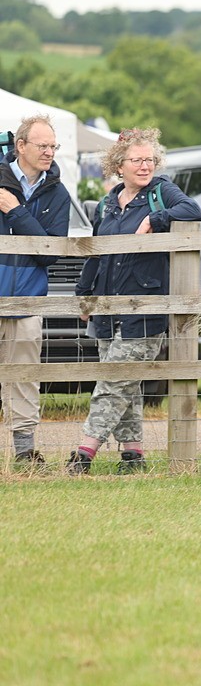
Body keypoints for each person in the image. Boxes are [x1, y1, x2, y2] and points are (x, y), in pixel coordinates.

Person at [66, 128, 201, 474]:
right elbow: (96, 254)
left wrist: (154, 219)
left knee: (114, 381)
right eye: (137, 160)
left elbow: (192, 209)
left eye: (150, 160)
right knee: (127, 385)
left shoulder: (161, 190)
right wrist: (84, 295)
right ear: (119, 164)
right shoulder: (108, 202)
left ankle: (85, 451)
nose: (145, 166)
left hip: (144, 310)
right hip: (107, 307)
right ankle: (133, 455)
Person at [0, 114, 71, 465]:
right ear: (21, 146)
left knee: (25, 378)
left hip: (27, 301)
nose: (49, 152)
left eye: (53, 146)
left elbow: (52, 253)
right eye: (42, 145)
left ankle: (25, 453)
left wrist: (15, 212)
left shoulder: (57, 194)